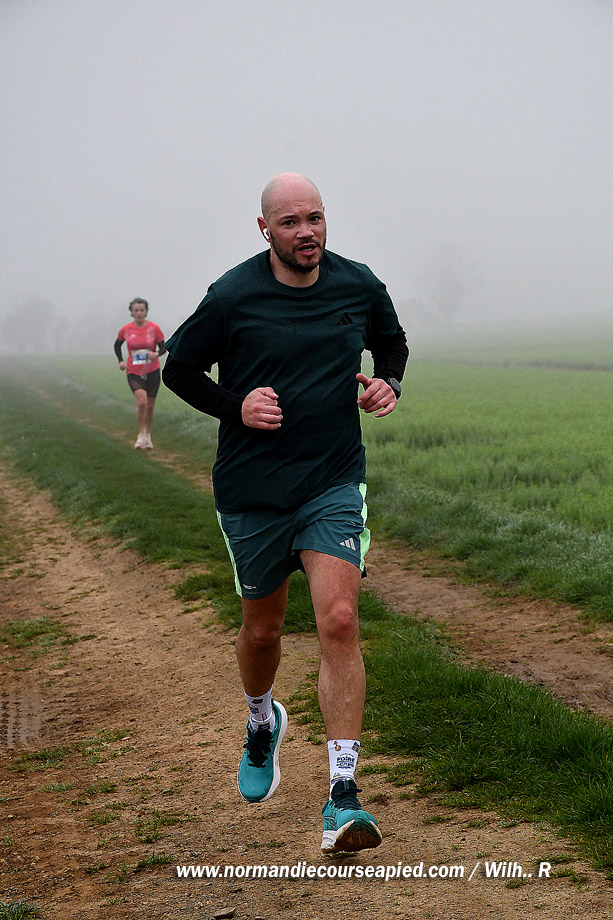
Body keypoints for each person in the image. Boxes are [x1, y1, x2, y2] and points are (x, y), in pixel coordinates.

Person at [162, 173, 408, 854]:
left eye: (315, 218)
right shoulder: (232, 296)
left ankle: (342, 795)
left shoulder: (357, 283)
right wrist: (235, 406)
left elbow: (391, 341)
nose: (307, 232)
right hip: (253, 489)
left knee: (339, 619)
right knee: (263, 630)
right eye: (291, 222)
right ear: (264, 228)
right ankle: (261, 718)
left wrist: (388, 382)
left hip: (332, 480)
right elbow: (179, 370)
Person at [114, 298, 166, 449]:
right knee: (142, 402)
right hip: (134, 371)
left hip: (152, 370)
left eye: (142, 310)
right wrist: (121, 361)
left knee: (149, 406)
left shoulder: (154, 328)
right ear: (131, 313)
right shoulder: (126, 330)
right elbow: (117, 345)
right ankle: (141, 434)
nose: (139, 313)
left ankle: (148, 435)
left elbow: (164, 347)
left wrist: (156, 354)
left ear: (146, 312)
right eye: (136, 310)